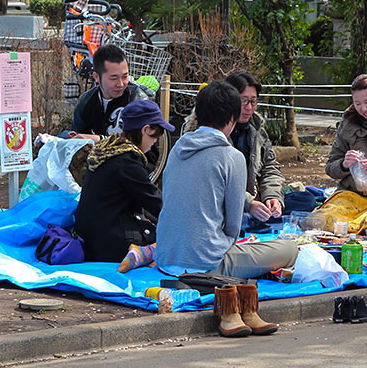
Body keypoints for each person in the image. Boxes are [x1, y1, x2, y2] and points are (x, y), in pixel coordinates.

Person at [157, 81, 296, 337]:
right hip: (205, 263)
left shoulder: (178, 146)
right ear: (232, 120)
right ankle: (233, 304)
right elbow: (233, 226)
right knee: (289, 249)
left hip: (166, 257)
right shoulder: (232, 157)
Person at [73, 100, 170, 262]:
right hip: (107, 242)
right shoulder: (127, 162)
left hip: (88, 237)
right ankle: (143, 254)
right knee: (168, 240)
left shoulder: (107, 149)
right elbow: (156, 203)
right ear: (145, 130)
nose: (155, 142)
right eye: (155, 136)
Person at [181, 71, 285, 221]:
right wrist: (249, 204)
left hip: (250, 205)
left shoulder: (257, 128)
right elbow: (217, 184)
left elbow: (270, 168)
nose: (249, 107)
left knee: (302, 199)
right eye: (243, 101)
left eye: (253, 101)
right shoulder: (204, 134)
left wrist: (273, 197)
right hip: (216, 212)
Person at [71, 44, 152, 142]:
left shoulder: (138, 100)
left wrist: (101, 140)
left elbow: (145, 148)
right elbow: (76, 141)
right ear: (96, 77)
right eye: (113, 78)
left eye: (125, 76)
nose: (121, 84)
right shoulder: (86, 102)